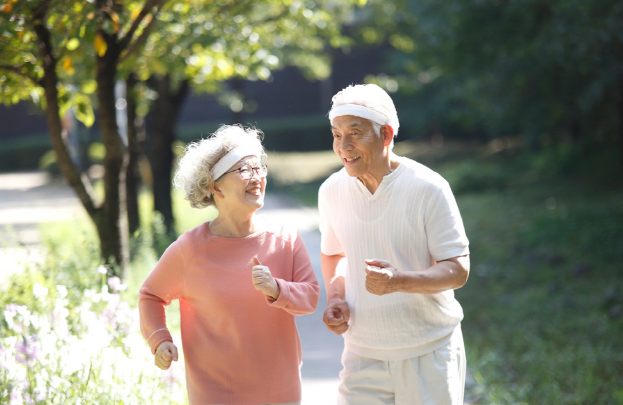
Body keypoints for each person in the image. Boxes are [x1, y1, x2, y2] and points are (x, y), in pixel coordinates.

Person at [139, 124, 320, 405]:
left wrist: (277, 289)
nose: (257, 176)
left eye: (259, 167)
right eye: (244, 170)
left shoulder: (285, 237)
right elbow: (151, 294)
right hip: (215, 392)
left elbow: (310, 297)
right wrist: (159, 340)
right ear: (215, 187)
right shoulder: (190, 250)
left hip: (279, 389)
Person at [318, 84, 471, 405]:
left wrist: (400, 281)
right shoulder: (331, 190)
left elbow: (457, 270)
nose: (343, 145)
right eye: (336, 134)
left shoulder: (428, 188)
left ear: (386, 135)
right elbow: (334, 253)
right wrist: (336, 297)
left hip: (428, 352)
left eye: (355, 133)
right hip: (362, 353)